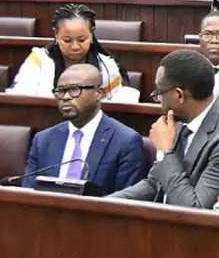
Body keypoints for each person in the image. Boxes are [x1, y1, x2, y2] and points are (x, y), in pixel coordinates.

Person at [109, 50, 219, 213]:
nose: (158, 100)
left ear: (179, 95)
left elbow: (195, 210)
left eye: (159, 93)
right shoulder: (180, 121)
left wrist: (165, 152)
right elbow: (156, 184)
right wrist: (102, 204)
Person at [22, 64, 146, 193]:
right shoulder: (43, 140)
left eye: (74, 89)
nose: (65, 97)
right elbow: (29, 193)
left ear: (98, 93)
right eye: (60, 91)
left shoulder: (125, 141)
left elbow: (127, 201)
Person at [6, 4, 139, 103]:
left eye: (82, 40)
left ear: (92, 33)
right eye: (67, 40)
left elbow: (116, 105)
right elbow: (21, 98)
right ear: (56, 34)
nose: (75, 47)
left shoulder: (106, 66)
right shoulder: (38, 60)